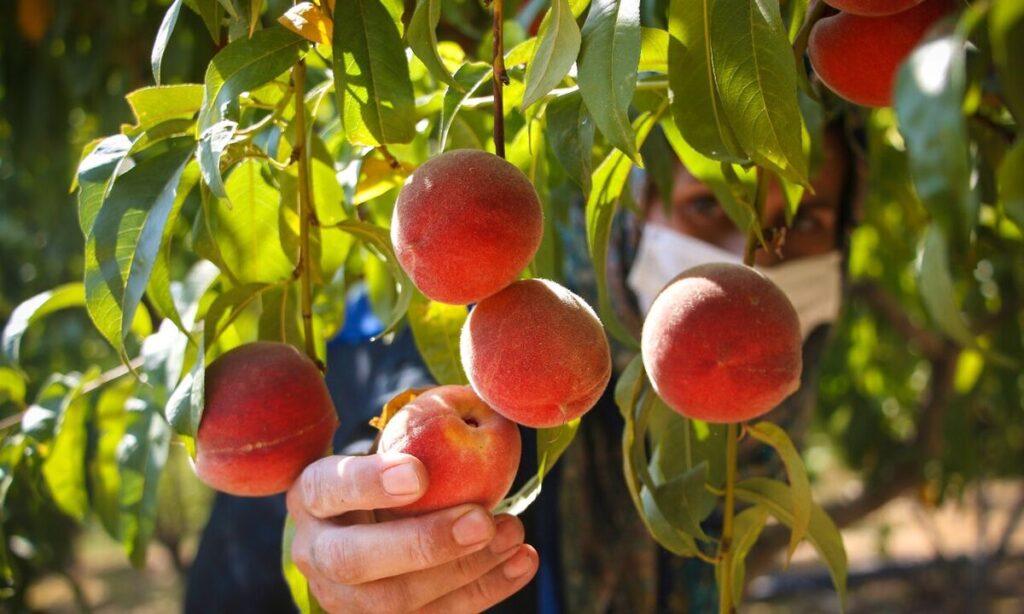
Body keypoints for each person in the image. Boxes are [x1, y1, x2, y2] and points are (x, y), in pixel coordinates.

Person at [185, 123, 860, 613]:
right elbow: (391, 411)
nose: (756, 250)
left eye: (805, 222)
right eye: (708, 204)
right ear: (631, 208)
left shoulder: (754, 436)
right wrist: (362, 521)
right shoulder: (486, 354)